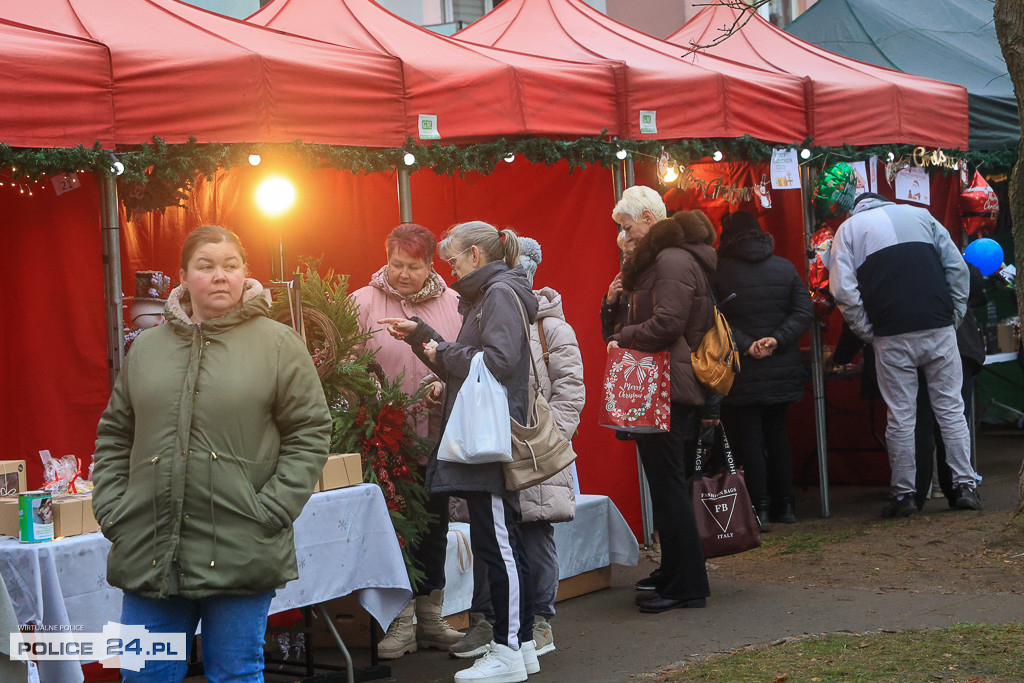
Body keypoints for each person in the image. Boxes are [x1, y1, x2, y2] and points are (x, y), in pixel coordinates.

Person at [92, 225, 332, 682]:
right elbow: (115, 433)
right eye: (206, 266)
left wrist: (271, 509)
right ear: (183, 277)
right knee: (145, 673)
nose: (219, 276)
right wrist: (113, 507)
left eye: (230, 265)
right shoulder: (147, 349)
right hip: (150, 547)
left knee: (235, 673)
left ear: (245, 274)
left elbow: (310, 431)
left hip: (241, 544)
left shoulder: (278, 346)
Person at [379, 221, 539, 683]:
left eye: (452, 259)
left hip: (486, 438)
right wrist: (422, 335)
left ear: (474, 254)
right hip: (483, 436)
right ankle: (521, 644)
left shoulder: (499, 295)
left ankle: (509, 651)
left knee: (500, 545)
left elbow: (496, 362)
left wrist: (441, 348)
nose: (450, 269)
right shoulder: (493, 293)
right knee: (501, 542)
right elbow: (472, 356)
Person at [449, 238, 584, 660]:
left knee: (535, 532)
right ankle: (490, 619)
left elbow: (570, 391)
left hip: (531, 446)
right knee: (494, 535)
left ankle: (539, 618)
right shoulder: (484, 313)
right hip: (494, 442)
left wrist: (545, 441)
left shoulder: (551, 327)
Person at [828, 193, 982, 517]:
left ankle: (905, 495)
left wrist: (866, 330)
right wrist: (954, 314)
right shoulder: (921, 215)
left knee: (901, 416)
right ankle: (966, 487)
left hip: (891, 333)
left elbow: (843, 290)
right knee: (951, 410)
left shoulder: (849, 229)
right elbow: (957, 266)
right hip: (938, 327)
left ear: (856, 208)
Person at [350, 223, 464, 659]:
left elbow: (465, 359)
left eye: (413, 267)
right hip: (382, 438)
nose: (402, 274)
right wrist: (367, 392)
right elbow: (341, 362)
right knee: (392, 531)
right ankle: (398, 622)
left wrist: (444, 386)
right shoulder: (361, 302)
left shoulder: (454, 303)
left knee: (434, 527)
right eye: (396, 264)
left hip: (437, 436)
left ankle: (431, 618)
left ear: (430, 264)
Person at [607, 186, 714, 613]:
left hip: (667, 384)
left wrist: (622, 337)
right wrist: (614, 303)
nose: (622, 236)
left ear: (649, 220)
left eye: (626, 226)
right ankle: (675, 572)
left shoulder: (671, 260)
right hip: (663, 382)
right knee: (667, 486)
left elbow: (668, 322)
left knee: (669, 487)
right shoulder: (666, 259)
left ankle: (687, 583)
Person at [713, 211, 814, 529]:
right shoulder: (784, 267)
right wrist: (776, 340)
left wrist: (747, 344)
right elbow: (803, 311)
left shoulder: (718, 271)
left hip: (743, 368)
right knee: (778, 436)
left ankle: (760, 507)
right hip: (781, 365)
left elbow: (713, 318)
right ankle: (785, 505)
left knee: (750, 440)